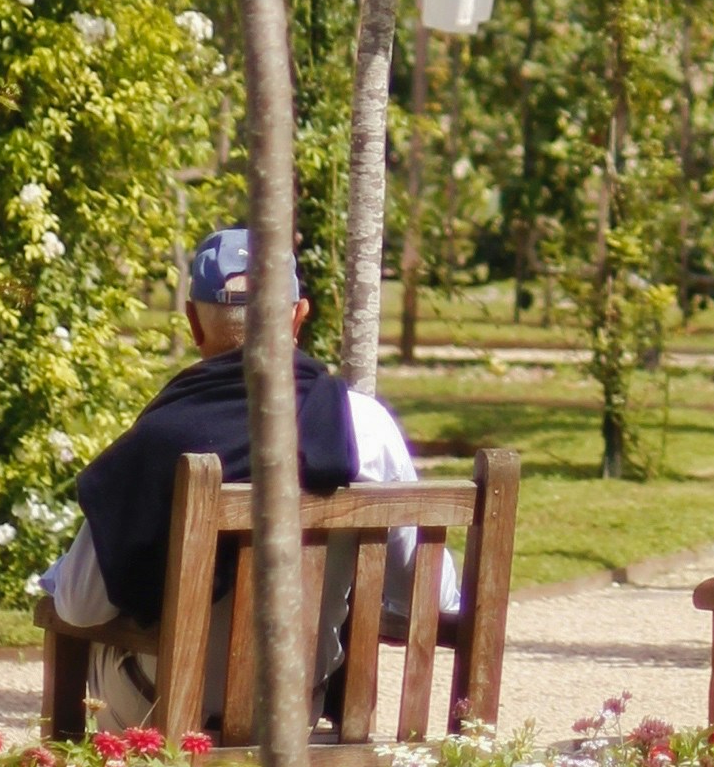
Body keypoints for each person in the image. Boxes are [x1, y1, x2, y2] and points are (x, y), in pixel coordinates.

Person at [40, 227, 425, 727]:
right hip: (298, 709)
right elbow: (422, 592)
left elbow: (81, 607)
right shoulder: (366, 428)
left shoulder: (160, 439)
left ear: (193, 325)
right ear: (298, 317)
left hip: (167, 710)